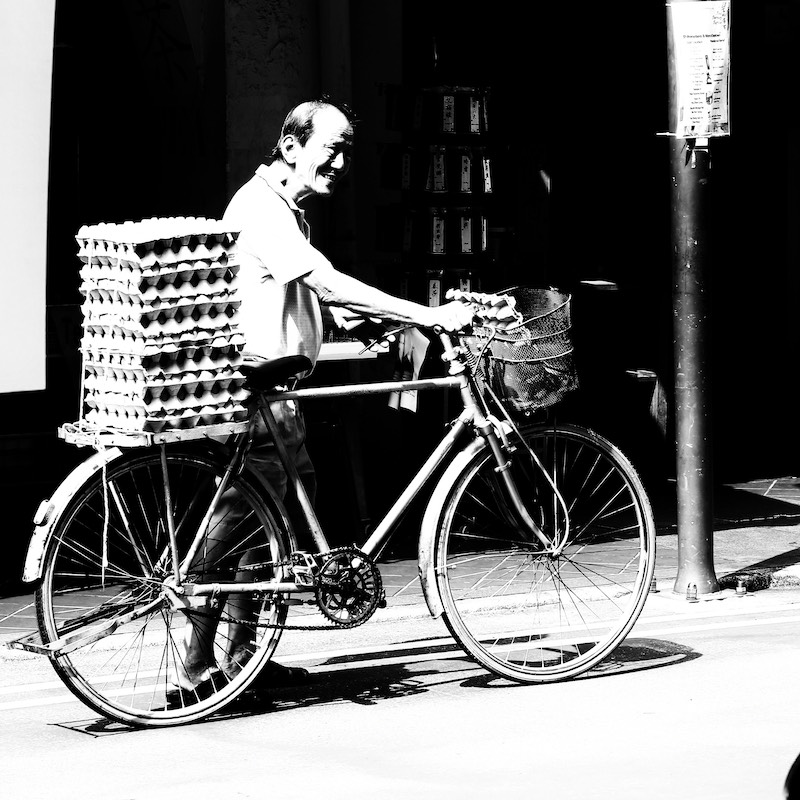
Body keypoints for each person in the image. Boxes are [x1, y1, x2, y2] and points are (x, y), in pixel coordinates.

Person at [172, 98, 474, 704]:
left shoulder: (286, 211)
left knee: (269, 534)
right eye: (329, 149)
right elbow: (320, 277)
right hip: (258, 399)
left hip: (281, 396)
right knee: (231, 534)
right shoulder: (261, 211)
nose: (339, 162)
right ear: (290, 146)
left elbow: (296, 292)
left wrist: (349, 321)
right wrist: (426, 314)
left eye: (345, 152)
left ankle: (242, 665)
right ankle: (193, 673)